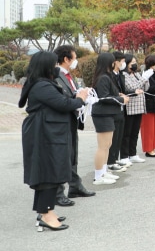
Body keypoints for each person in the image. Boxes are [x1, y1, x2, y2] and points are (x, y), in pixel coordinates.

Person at [21, 51, 89, 232]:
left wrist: (75, 99)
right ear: (45, 66)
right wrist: (80, 98)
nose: (55, 68)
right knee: (48, 173)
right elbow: (63, 104)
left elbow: (61, 101)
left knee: (49, 172)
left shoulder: (42, 83)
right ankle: (46, 214)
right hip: (44, 134)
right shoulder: (41, 86)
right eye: (53, 65)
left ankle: (45, 210)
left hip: (48, 132)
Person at [53, 45, 95, 205]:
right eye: (74, 57)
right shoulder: (56, 76)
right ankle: (58, 192)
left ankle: (75, 186)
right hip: (62, 120)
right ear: (66, 59)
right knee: (63, 156)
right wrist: (78, 97)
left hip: (72, 118)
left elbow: (73, 92)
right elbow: (63, 98)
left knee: (72, 154)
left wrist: (84, 93)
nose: (76, 61)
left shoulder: (69, 75)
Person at [91, 52, 130, 184]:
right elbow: (104, 97)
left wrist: (118, 94)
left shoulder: (107, 77)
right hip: (102, 114)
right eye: (114, 61)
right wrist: (120, 99)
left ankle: (104, 171)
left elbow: (108, 92)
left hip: (108, 114)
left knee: (107, 145)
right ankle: (98, 176)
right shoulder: (103, 77)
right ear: (110, 62)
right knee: (103, 146)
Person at [121, 54, 154, 164]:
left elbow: (145, 88)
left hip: (139, 106)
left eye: (135, 62)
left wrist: (146, 78)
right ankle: (124, 155)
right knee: (127, 133)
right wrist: (143, 79)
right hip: (130, 107)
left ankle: (133, 154)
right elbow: (131, 88)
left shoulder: (136, 74)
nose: (134, 64)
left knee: (135, 132)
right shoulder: (124, 75)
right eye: (132, 62)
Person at [106, 51, 128, 173]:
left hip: (121, 107)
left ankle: (115, 158)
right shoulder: (109, 76)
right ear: (115, 62)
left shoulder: (120, 75)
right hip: (113, 109)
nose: (123, 64)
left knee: (119, 135)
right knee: (113, 138)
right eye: (122, 62)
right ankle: (110, 161)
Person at [141, 55, 155, 157]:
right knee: (148, 128)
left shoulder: (154, 73)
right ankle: (148, 149)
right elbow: (147, 89)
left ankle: (154, 146)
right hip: (148, 103)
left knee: (154, 127)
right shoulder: (146, 74)